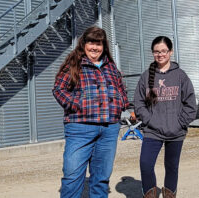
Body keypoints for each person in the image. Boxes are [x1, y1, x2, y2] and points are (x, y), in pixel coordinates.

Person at [52, 26, 129, 198]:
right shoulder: (74, 63)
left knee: (101, 179)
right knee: (72, 177)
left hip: (109, 128)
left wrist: (122, 102)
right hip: (80, 128)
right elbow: (58, 89)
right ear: (84, 44)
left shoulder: (110, 66)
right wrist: (76, 104)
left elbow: (121, 88)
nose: (94, 47)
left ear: (104, 46)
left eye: (98, 44)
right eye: (91, 43)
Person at [134, 36, 197, 198]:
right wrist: (149, 120)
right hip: (153, 131)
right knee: (146, 164)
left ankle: (169, 195)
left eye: (163, 51)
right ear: (152, 53)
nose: (160, 54)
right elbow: (139, 103)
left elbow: (191, 105)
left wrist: (179, 123)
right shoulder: (146, 76)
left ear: (170, 52)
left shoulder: (180, 76)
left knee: (171, 166)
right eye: (156, 51)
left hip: (176, 132)